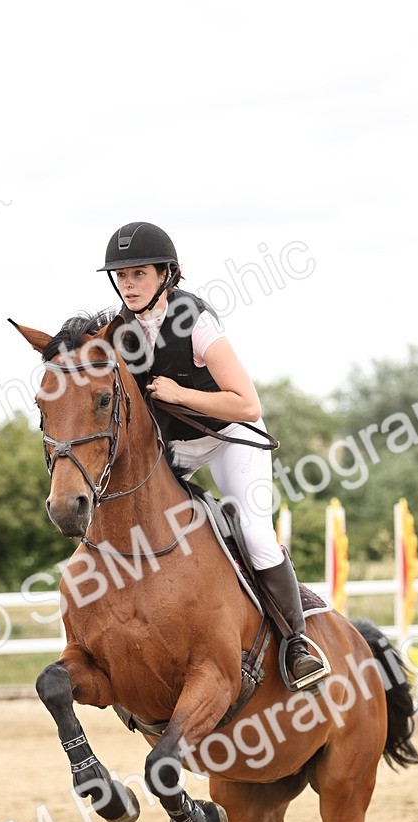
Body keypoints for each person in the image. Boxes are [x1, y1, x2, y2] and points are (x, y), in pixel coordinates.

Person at [98, 220, 328, 689]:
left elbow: (247, 402)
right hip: (175, 448)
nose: (129, 284)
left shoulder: (195, 322)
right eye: (121, 276)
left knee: (256, 535)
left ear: (167, 274)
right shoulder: (117, 330)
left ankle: (297, 643)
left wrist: (180, 394)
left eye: (138, 273)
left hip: (228, 437)